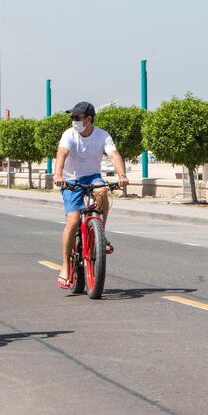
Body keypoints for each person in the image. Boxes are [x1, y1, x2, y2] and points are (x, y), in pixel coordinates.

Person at [53, 101, 128, 289]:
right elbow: (61, 154)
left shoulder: (102, 135)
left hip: (92, 176)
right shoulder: (69, 135)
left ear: (89, 119)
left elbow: (114, 155)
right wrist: (58, 175)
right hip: (70, 180)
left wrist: (122, 175)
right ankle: (65, 265)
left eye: (77, 118)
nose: (73, 121)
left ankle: (100, 233)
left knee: (102, 191)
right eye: (72, 117)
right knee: (73, 220)